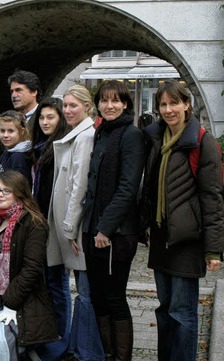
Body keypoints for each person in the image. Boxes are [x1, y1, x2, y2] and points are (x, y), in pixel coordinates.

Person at [141, 80, 224, 361]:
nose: (168, 110)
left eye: (174, 103)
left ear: (186, 105)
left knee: (183, 313)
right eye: (163, 105)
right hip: (161, 237)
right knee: (164, 309)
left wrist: (213, 249)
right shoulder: (156, 139)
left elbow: (212, 198)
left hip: (188, 240)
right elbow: (149, 190)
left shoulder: (202, 142)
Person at [81, 80, 146, 361]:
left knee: (115, 297)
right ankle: (106, 355)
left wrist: (105, 228)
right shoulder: (101, 133)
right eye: (104, 100)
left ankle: (121, 357)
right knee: (98, 297)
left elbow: (127, 187)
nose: (109, 106)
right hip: (93, 229)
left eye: (115, 100)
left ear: (126, 104)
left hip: (116, 233)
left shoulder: (130, 134)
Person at [0, 171, 58, 352]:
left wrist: (10, 304)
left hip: (22, 305)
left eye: (6, 191)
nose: (0, 195)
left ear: (19, 193)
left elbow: (31, 269)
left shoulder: (34, 223)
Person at [50, 84, 103, 361]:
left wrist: (70, 226)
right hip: (72, 226)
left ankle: (87, 351)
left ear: (86, 107)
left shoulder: (85, 136)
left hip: (77, 227)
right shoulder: (79, 134)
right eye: (65, 105)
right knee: (82, 291)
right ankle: (79, 347)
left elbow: (79, 184)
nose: (67, 110)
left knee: (85, 292)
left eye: (73, 105)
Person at [30, 97, 71, 360]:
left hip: (55, 225)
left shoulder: (62, 147)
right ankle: (47, 337)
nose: (45, 122)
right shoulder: (40, 147)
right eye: (42, 117)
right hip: (41, 224)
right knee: (47, 283)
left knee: (58, 284)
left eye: (51, 117)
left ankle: (61, 342)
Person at [0, 110, 32, 183]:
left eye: (11, 131)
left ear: (22, 131)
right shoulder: (7, 152)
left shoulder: (19, 157)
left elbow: (19, 188)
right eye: (2, 131)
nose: (5, 135)